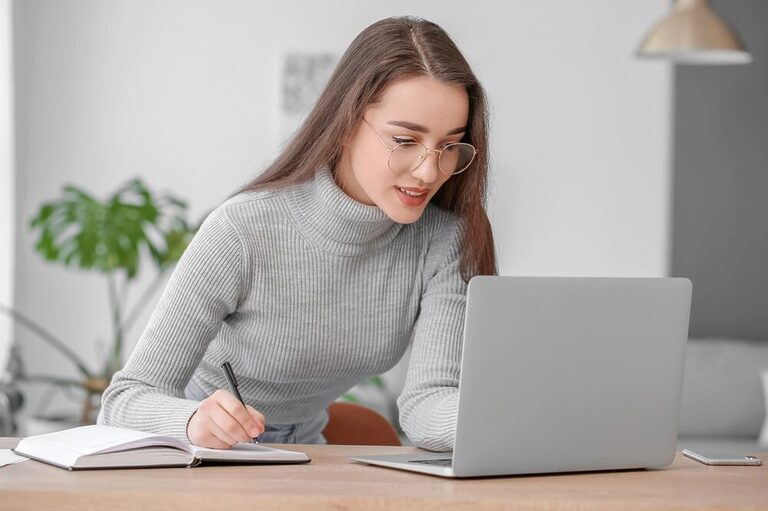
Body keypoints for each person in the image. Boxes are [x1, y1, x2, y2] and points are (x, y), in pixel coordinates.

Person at [98, 15, 496, 453]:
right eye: (404, 141)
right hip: (196, 452)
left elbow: (428, 403)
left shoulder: (446, 240)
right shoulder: (243, 230)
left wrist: (524, 419)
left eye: (448, 146)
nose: (428, 171)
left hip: (309, 456)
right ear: (346, 123)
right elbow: (124, 400)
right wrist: (192, 421)